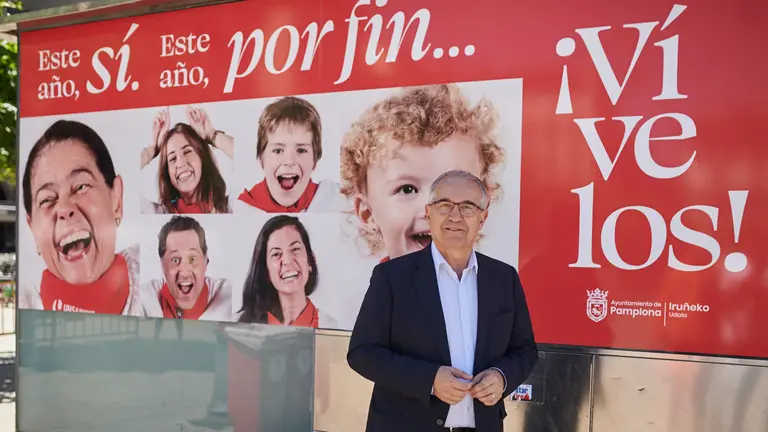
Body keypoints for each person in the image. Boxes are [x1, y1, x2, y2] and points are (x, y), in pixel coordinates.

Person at [347, 170, 538, 432]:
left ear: (483, 217)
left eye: (467, 207)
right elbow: (362, 353)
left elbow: (525, 349)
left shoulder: (503, 278)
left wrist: (502, 377)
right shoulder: (392, 277)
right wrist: (429, 380)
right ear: (429, 213)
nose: (455, 216)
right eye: (444, 205)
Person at [340, 84, 506, 262]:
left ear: (482, 207)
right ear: (368, 213)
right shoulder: (380, 288)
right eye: (407, 189)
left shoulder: (496, 284)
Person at [20, 120, 141, 315]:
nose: (64, 209)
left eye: (81, 187)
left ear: (116, 198)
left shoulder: (155, 275)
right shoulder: (26, 308)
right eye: (47, 199)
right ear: (32, 227)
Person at [235, 96, 341, 213]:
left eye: (301, 150)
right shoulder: (242, 209)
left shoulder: (334, 199)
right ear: (261, 159)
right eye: (278, 151)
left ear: (314, 161)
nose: (289, 161)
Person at [237, 215, 336, 328]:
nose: (287, 261)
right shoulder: (241, 326)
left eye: (295, 249)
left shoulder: (330, 327)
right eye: (276, 254)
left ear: (310, 260)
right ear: (266, 271)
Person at [141, 106, 236, 214]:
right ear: (167, 172)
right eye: (172, 158)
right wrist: (154, 149)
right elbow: (127, 174)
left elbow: (245, 157)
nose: (180, 163)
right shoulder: (158, 213)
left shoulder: (228, 207)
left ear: (202, 158)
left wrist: (212, 135)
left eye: (187, 152)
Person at [141, 215, 233, 321]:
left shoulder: (228, 300)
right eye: (175, 260)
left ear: (206, 262)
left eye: (193, 259)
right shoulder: (143, 301)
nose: (184, 273)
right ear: (162, 265)